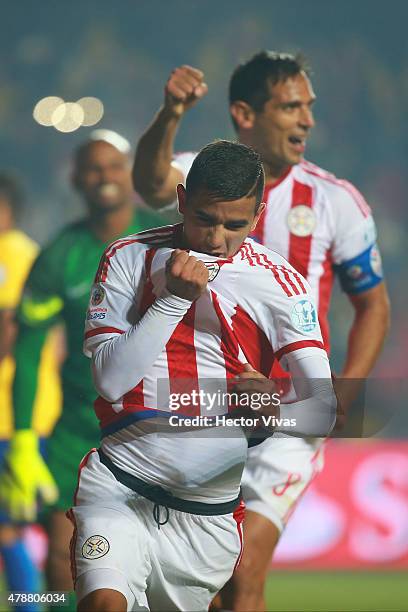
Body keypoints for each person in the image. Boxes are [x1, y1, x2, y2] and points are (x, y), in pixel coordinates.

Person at [132, 53, 391, 610]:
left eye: (309, 108)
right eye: (291, 106)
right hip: (203, 403)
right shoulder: (198, 174)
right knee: (189, 574)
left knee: (242, 568)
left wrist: (347, 385)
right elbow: (151, 182)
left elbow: (373, 304)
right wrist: (171, 112)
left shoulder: (334, 200)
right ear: (244, 113)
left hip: (289, 416)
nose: (307, 121)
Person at [70, 140, 336, 612]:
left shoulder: (281, 282)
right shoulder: (129, 257)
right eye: (203, 219)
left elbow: (322, 411)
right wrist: (172, 300)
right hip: (119, 485)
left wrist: (272, 407)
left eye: (234, 225)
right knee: (104, 604)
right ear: (180, 201)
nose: (216, 239)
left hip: (206, 515)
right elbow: (110, 380)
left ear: (257, 216)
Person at [0, 131, 162, 606]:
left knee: (164, 555)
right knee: (62, 555)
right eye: (93, 169)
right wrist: (26, 437)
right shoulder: (57, 257)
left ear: (129, 172)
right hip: (77, 428)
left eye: (113, 166)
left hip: (154, 425)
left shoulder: (162, 240)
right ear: (76, 179)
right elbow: (28, 353)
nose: (104, 177)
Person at [0, 173, 62, 612]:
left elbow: (14, 330)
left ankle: (33, 607)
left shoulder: (19, 254)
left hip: (21, 419)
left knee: (13, 528)